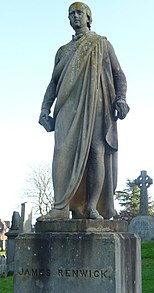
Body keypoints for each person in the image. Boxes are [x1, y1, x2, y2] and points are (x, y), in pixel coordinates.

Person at [38, 2, 129, 220]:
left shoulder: (101, 44)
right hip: (66, 108)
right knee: (61, 153)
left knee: (95, 153)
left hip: (96, 105)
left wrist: (121, 99)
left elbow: (119, 75)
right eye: (71, 14)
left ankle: (91, 207)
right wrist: (44, 109)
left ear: (89, 17)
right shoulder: (63, 51)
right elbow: (53, 82)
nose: (75, 16)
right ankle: (60, 207)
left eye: (80, 13)